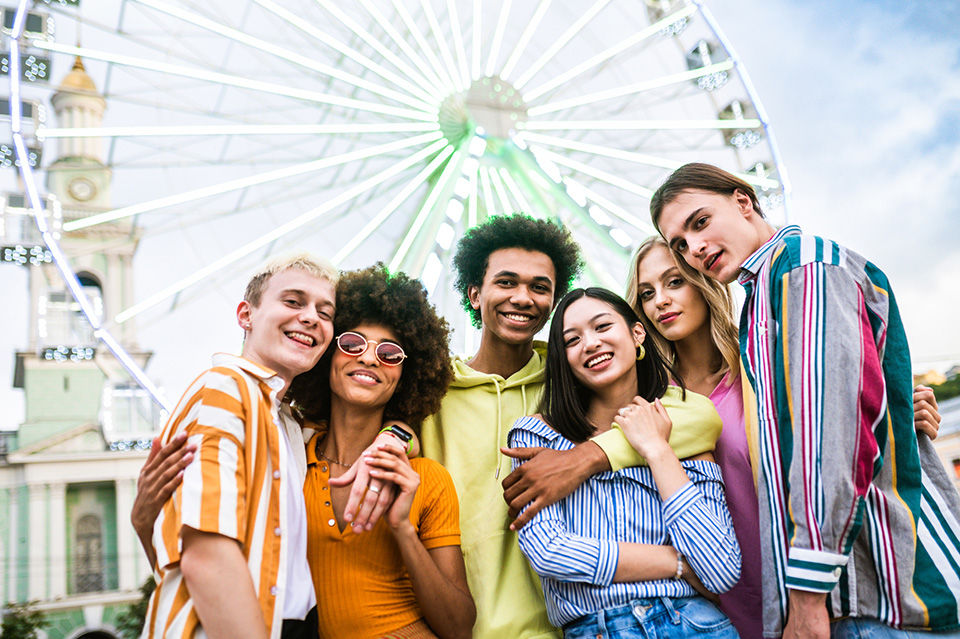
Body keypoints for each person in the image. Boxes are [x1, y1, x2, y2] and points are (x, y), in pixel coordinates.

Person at [652, 162, 960, 638]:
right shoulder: (766, 292)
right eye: (681, 244)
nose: (694, 249)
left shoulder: (805, 271)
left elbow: (827, 442)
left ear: (742, 201)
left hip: (874, 591)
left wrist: (807, 601)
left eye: (699, 222)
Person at [420, 214, 720, 638]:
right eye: (506, 283)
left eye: (540, 287)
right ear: (474, 293)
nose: (523, 297)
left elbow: (700, 417)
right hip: (466, 623)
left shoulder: (577, 379)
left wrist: (587, 458)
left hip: (575, 625)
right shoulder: (432, 392)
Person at [509, 287, 741, 639]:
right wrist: (676, 563)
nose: (590, 344)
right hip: (599, 628)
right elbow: (550, 552)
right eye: (572, 340)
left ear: (636, 334)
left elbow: (720, 569)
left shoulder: (683, 429)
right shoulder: (535, 437)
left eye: (603, 327)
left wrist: (657, 451)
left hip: (696, 624)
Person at [141, 253, 338, 639]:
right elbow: (206, 555)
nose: (312, 317)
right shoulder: (227, 387)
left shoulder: (290, 423)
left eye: (325, 312)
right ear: (246, 316)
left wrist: (397, 432)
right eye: (293, 301)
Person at [285, 264, 475, 639]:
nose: (369, 359)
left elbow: (459, 629)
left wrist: (402, 527)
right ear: (327, 356)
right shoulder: (290, 458)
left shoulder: (427, 480)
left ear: (406, 375)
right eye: (352, 344)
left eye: (389, 353)